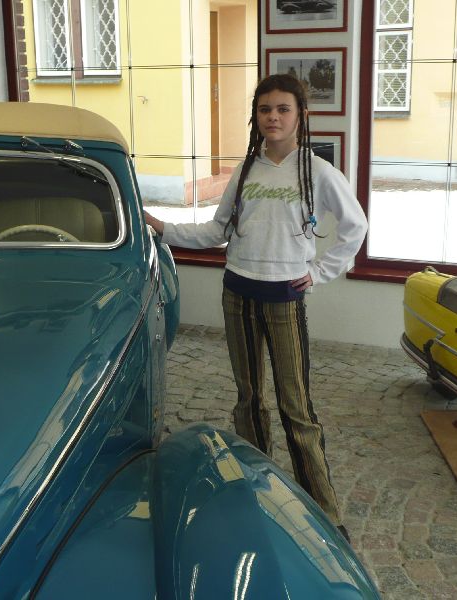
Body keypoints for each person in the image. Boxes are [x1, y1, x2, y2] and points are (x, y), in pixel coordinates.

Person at [144, 73, 367, 540]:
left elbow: (355, 227)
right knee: (248, 400)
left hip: (284, 297)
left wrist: (319, 272)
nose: (273, 117)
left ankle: (325, 515)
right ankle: (256, 491)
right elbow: (216, 230)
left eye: (283, 109)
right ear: (256, 117)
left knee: (295, 405)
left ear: (300, 115)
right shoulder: (246, 170)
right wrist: (162, 227)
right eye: (265, 109)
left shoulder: (318, 172)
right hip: (238, 294)